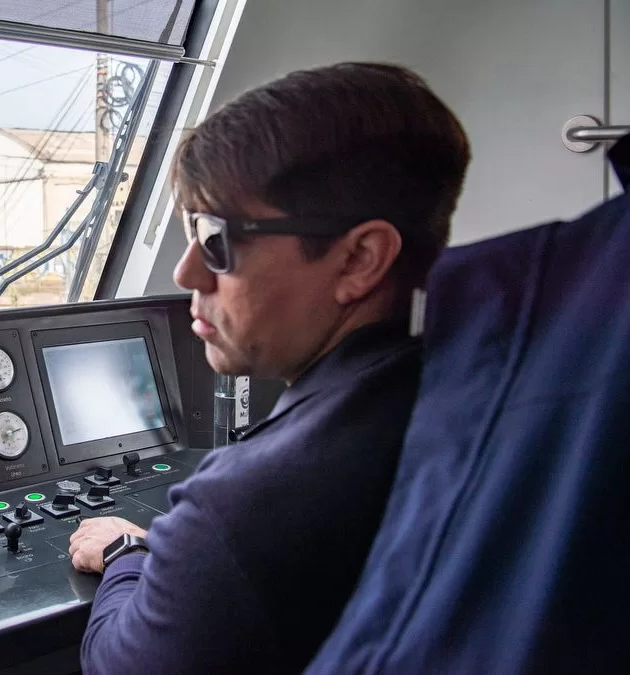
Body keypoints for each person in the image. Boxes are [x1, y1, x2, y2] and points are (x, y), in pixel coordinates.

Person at [67, 62, 471, 674]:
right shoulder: (475, 393)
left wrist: (127, 550)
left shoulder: (244, 506)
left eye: (216, 239)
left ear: (361, 259)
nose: (186, 275)